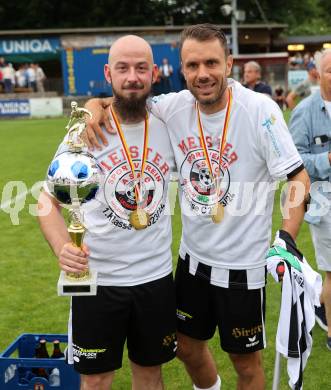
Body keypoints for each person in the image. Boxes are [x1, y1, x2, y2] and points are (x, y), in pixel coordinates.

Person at [84, 24, 310, 390]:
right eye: (192, 65)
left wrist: (286, 237)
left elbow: (299, 179)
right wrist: (94, 106)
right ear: (182, 69)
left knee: (246, 362)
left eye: (211, 63)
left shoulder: (260, 111)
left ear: (229, 63)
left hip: (244, 267)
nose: (202, 74)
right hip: (192, 263)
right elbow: (124, 98)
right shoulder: (172, 107)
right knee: (185, 347)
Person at [38, 35, 177, 390]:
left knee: (149, 375)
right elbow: (46, 202)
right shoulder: (84, 130)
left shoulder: (168, 121)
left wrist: (95, 103)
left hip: (155, 278)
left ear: (154, 73)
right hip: (98, 282)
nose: (132, 76)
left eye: (141, 68)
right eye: (123, 68)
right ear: (108, 73)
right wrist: (61, 249)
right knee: (97, 380)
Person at [289, 48, 331, 351]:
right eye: (330, 69)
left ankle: (318, 303)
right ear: (317, 74)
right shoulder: (305, 110)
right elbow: (295, 160)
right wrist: (327, 159)